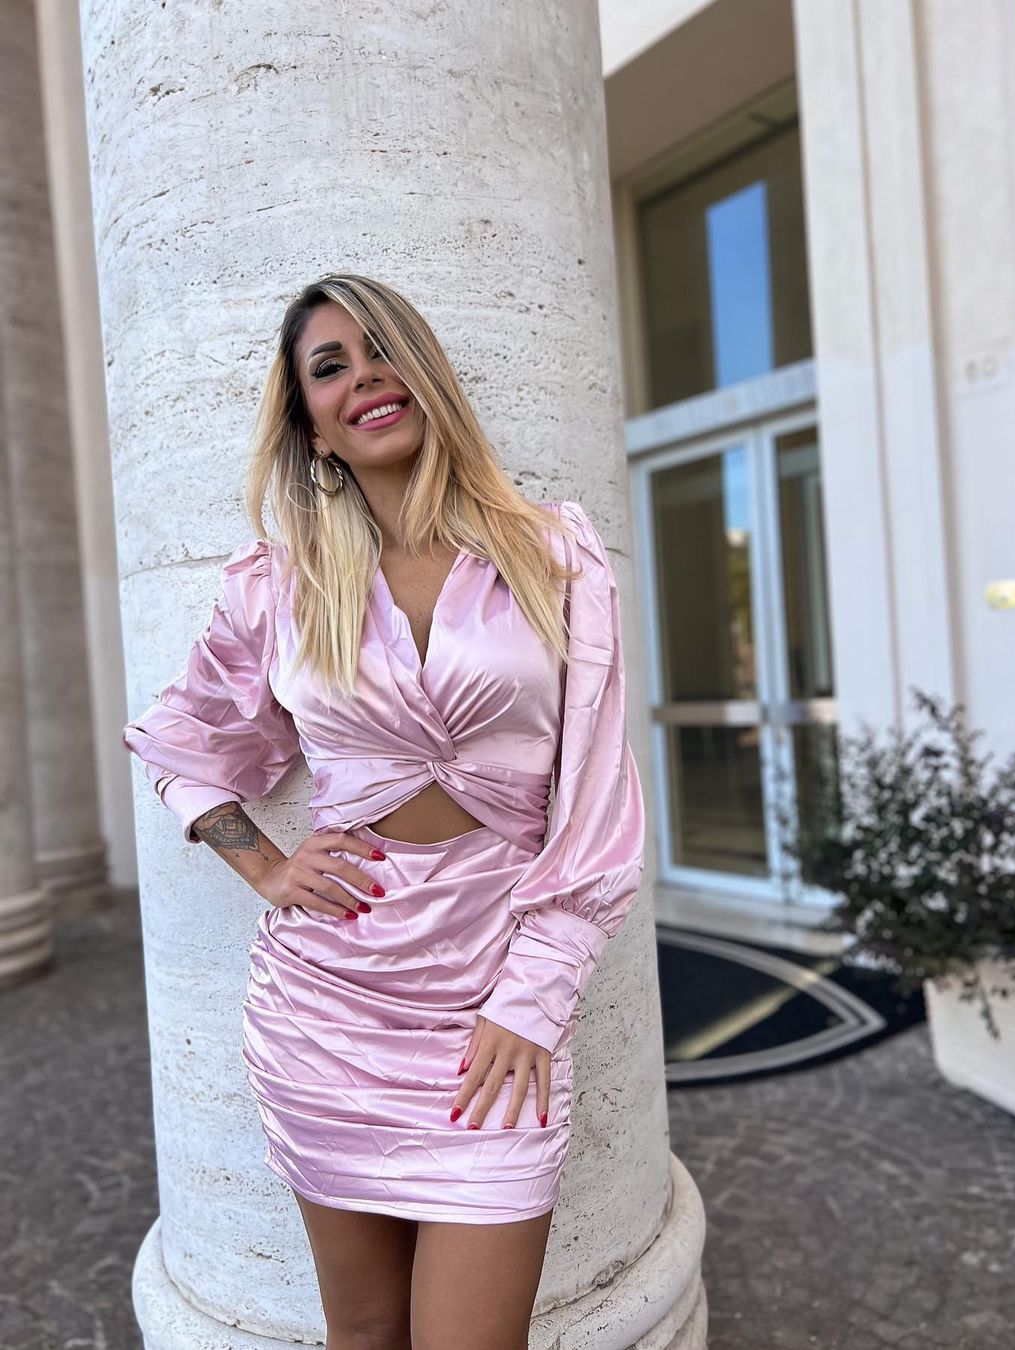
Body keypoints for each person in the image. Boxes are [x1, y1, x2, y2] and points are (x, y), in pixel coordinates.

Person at [121, 273, 646, 1350]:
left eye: (383, 348)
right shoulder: (280, 586)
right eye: (331, 366)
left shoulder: (552, 553)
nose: (365, 376)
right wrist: (267, 865)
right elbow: (184, 739)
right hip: (327, 1012)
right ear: (312, 425)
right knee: (363, 1335)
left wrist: (533, 1000)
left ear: (426, 374)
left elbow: (598, 801)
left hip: (495, 1004)